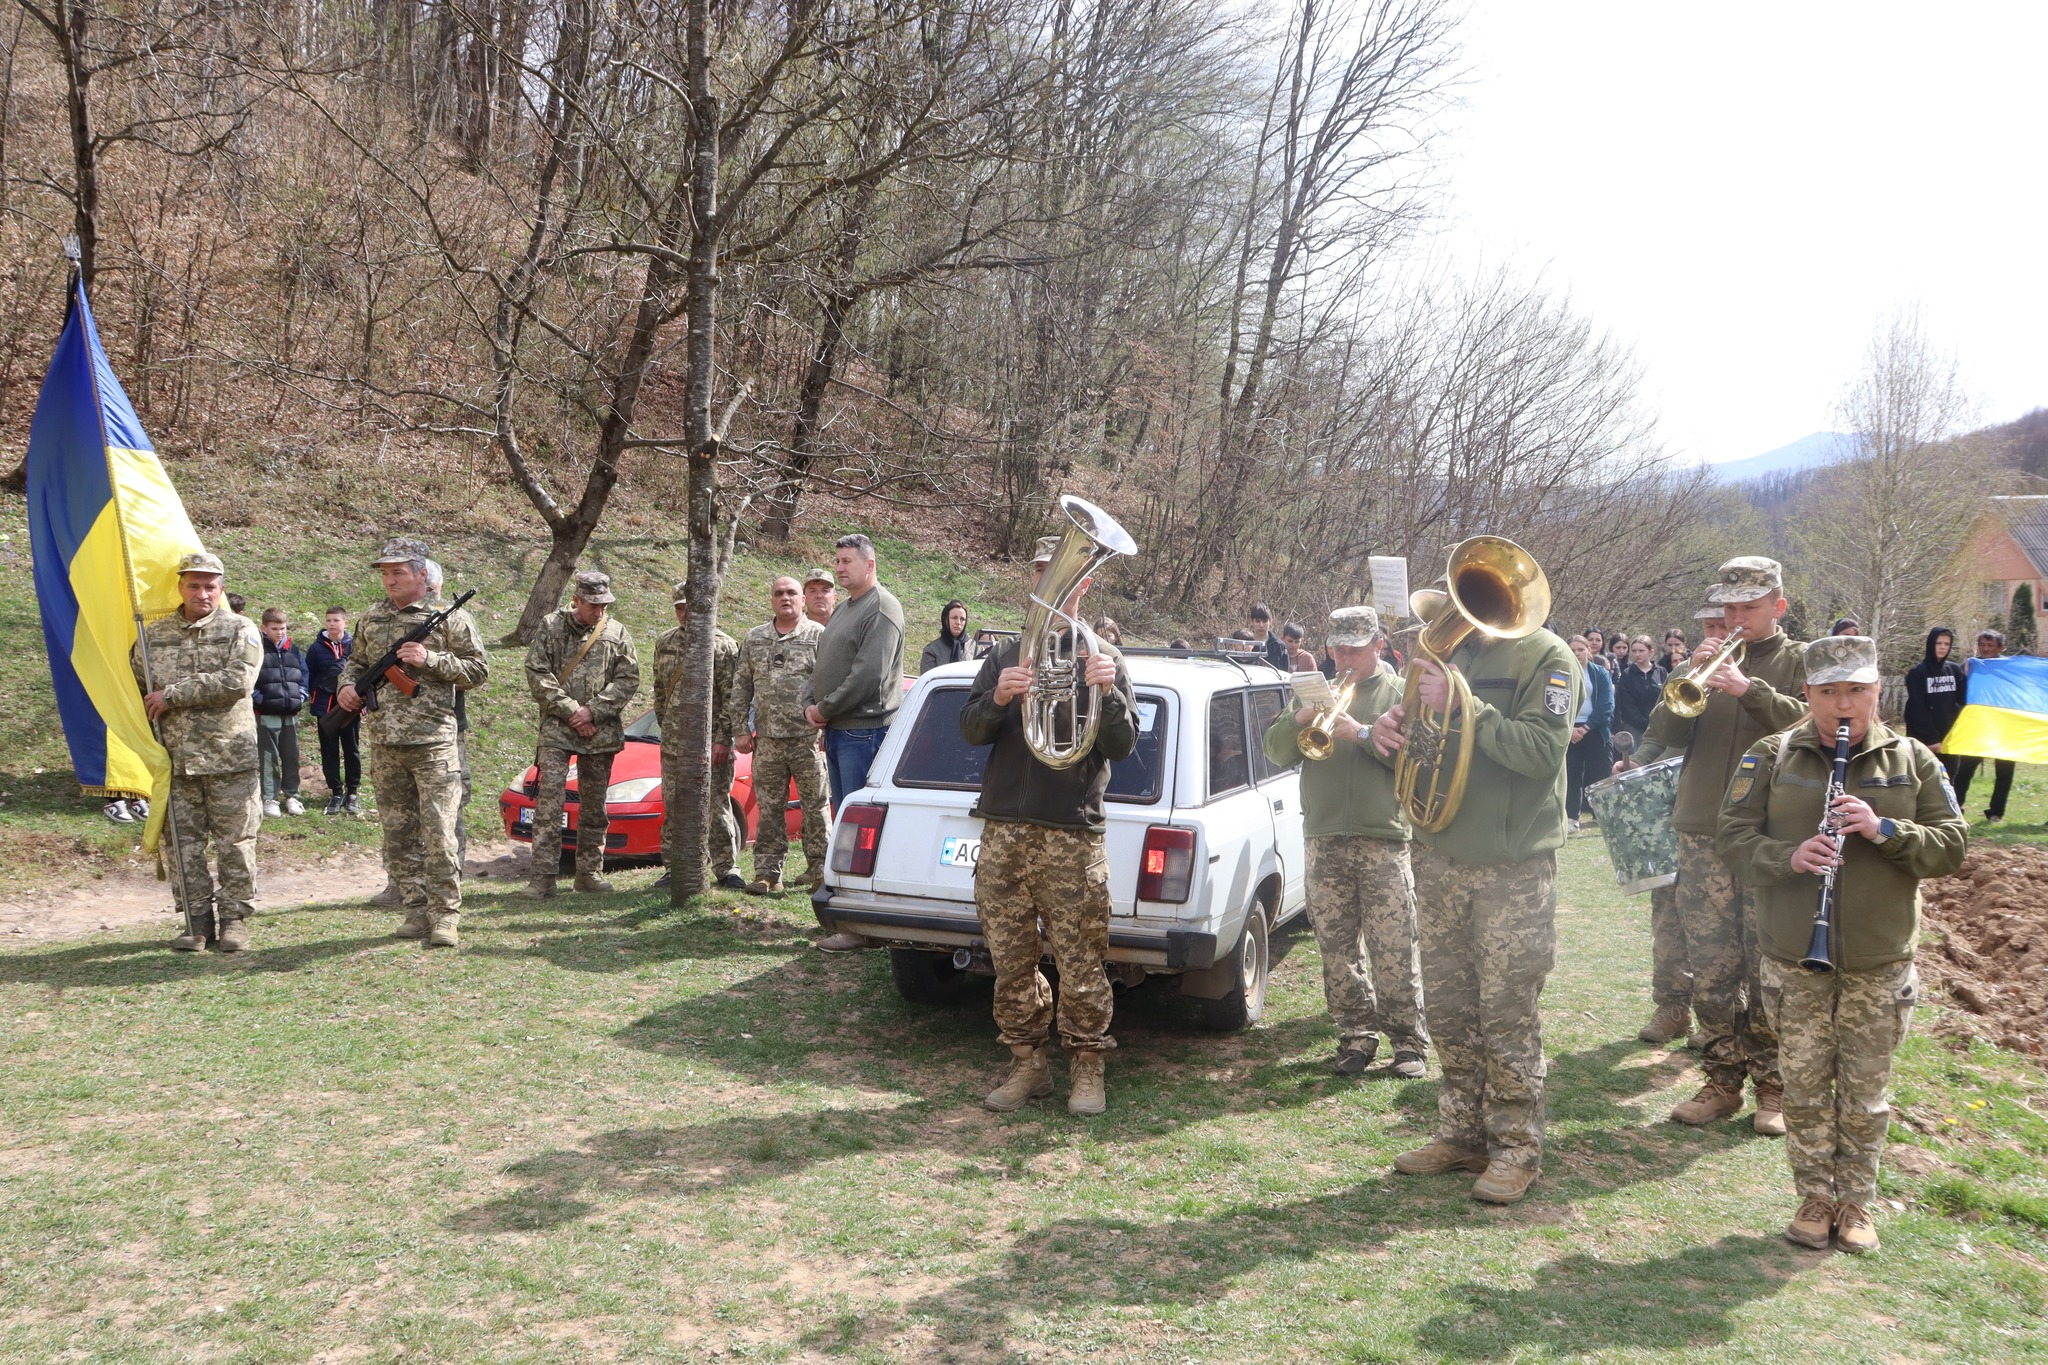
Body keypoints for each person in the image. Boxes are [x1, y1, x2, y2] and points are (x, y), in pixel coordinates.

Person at [1716, 635, 1967, 1254]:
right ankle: (1814, 1198)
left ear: (1878, 690)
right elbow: (1732, 839)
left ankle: (1856, 1202)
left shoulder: (1913, 759)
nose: (1843, 704)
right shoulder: (1772, 755)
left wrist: (1885, 830)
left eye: (1856, 690)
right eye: (1829, 692)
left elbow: (1952, 846)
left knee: (1864, 1093)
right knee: (1803, 1088)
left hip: (1880, 961)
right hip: (1794, 956)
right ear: (1808, 694)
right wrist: (1789, 856)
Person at [1370, 586, 1578, 1204]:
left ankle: (1515, 1149)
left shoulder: (1548, 655)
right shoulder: (1450, 652)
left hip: (1510, 871)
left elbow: (1541, 752)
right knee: (1451, 1009)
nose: (1464, 615)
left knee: (1507, 1012)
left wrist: (1464, 707)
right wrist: (1393, 735)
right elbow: (1430, 749)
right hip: (1440, 858)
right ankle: (1461, 1134)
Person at [1627, 557, 1807, 1132]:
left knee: (1766, 965)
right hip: (1701, 829)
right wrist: (1690, 678)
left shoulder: (1800, 661)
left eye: (1749, 608)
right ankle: (1722, 1080)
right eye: (1729, 609)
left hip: (1767, 834)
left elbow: (1813, 729)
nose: (1736, 619)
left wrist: (1750, 690)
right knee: (1710, 965)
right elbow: (1666, 730)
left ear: (1778, 606)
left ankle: (1773, 1087)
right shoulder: (1701, 663)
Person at [962, 545, 1137, 1116]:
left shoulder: (1105, 656)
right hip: (1004, 833)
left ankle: (1087, 1065)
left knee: (1080, 958)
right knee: (1010, 958)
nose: (1050, 582)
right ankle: (1026, 1062)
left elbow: (1123, 746)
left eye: (1061, 573)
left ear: (1082, 585)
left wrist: (1107, 693)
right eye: (1041, 572)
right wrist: (999, 697)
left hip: (1071, 834)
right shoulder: (1004, 654)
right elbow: (970, 730)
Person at [1261, 606, 1427, 1078]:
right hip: (1325, 838)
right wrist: (1303, 716)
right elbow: (1275, 751)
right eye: (1338, 649)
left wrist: (1362, 734)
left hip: (1384, 839)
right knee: (1337, 948)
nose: (1345, 658)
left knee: (1394, 946)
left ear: (1378, 645)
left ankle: (1408, 1042)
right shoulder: (1316, 691)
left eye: (1354, 649)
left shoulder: (1402, 693)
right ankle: (1356, 1035)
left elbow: (1419, 761)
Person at [336, 537, 489, 947]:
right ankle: (415, 911)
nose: (390, 580)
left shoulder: (450, 618)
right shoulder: (371, 618)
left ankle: (445, 916)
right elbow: (356, 663)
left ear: (422, 574)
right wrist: (346, 687)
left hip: (434, 743)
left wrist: (430, 660)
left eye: (398, 572)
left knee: (439, 834)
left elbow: (478, 671)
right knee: (399, 836)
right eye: (385, 573)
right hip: (385, 743)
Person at [132, 551, 263, 952]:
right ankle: (197, 921)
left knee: (235, 843)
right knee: (182, 847)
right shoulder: (152, 635)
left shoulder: (240, 628)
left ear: (221, 589)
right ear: (180, 587)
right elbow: (136, 687)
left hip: (229, 758)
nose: (202, 593)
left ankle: (234, 921)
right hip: (174, 762)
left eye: (210, 586)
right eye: (194, 585)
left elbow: (238, 681)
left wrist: (173, 695)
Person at [524, 570, 641, 897]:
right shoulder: (551, 626)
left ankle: (589, 873)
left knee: (594, 805)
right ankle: (543, 876)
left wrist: (593, 711)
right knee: (549, 802)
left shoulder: (616, 632)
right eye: (592, 605)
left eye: (604, 605)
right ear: (576, 600)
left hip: (599, 732)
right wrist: (572, 711)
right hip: (557, 729)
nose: (599, 611)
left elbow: (628, 678)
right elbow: (537, 672)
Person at [732, 576, 831, 900]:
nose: (785, 598)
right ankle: (767, 874)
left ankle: (820, 870)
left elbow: (830, 685)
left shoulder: (819, 636)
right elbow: (741, 685)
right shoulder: (755, 638)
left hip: (808, 739)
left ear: (802, 599)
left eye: (791, 593)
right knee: (770, 809)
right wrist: (740, 730)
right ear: (772, 600)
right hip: (768, 741)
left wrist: (827, 729)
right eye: (778, 593)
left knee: (816, 807)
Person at [805, 533, 906, 812]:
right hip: (838, 730)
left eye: (847, 561)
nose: (839, 568)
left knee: (860, 822)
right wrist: (808, 703)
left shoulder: (881, 607)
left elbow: (868, 675)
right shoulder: (843, 609)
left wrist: (823, 709)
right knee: (844, 817)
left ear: (869, 564)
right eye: (837, 561)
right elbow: (822, 662)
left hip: (864, 734)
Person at [654, 578, 744, 891]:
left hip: (711, 743)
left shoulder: (723, 645)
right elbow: (659, 690)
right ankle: (675, 868)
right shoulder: (665, 642)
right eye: (679, 608)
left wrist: (722, 739)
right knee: (674, 806)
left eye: (688, 608)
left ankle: (726, 869)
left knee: (716, 806)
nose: (683, 614)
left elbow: (731, 697)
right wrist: (666, 725)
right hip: (673, 743)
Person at [1955, 630, 2017, 822]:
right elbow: (1959, 696)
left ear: (2001, 647)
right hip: (1978, 727)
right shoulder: (1970, 666)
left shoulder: (2010, 668)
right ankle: (1955, 809)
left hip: (2005, 727)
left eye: (1990, 645)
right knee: (1965, 769)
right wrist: (1964, 676)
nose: (1986, 649)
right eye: (1982, 645)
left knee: (2004, 772)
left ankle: (1996, 813)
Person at [252, 607, 308, 817]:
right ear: (264, 628)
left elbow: (304, 674)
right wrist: (260, 699)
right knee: (269, 757)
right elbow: (248, 678)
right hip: (266, 713)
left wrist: (301, 696)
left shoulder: (293, 650)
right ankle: (270, 798)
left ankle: (292, 796)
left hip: (290, 712)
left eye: (283, 628)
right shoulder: (257, 650)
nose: (280, 632)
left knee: (291, 755)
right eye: (275, 629)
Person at [306, 606, 361, 815]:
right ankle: (336, 792)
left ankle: (352, 792)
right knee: (329, 751)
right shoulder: (316, 648)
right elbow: (310, 675)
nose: (331, 624)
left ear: (345, 623)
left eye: (336, 620)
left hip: (350, 706)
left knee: (352, 749)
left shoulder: (355, 646)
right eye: (328, 620)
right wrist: (314, 696)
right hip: (325, 706)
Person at [1902, 626, 1967, 785]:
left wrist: (1968, 676)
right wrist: (1931, 738)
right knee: (1925, 782)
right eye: (1939, 643)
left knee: (1949, 781)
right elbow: (1917, 709)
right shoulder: (1917, 673)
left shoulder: (1954, 670)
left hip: (1949, 739)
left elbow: (1962, 699)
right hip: (1925, 739)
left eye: (1947, 644)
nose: (1943, 647)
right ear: (1931, 644)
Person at [1565, 635, 1613, 830]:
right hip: (1569, 731)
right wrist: (1570, 729)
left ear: (1589, 651)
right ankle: (1571, 818)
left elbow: (1606, 705)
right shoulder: (1561, 672)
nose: (1577, 653)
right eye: (1572, 650)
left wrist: (1585, 728)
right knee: (1571, 775)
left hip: (1595, 730)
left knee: (1600, 774)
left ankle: (1601, 816)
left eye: (1580, 649)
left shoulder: (1600, 673)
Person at [1612, 633, 1668, 747]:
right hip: (1635, 728)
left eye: (1641, 651)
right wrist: (1644, 723)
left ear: (1651, 652)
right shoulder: (1627, 674)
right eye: (1634, 651)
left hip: (1659, 726)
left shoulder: (1661, 672)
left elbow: (1666, 698)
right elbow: (1627, 704)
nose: (1637, 654)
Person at [920, 600, 971, 673]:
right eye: (954, 618)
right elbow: (928, 678)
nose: (958, 622)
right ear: (945, 620)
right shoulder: (931, 651)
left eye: (962, 619)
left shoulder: (975, 648)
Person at [1249, 603, 1290, 671]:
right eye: (1258, 621)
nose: (1261, 625)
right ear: (1251, 622)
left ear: (1271, 621)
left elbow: (1285, 672)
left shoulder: (1278, 645)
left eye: (1265, 621)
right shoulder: (1246, 644)